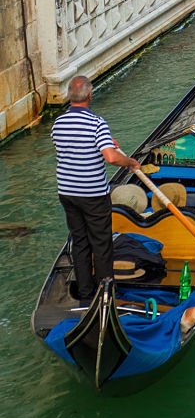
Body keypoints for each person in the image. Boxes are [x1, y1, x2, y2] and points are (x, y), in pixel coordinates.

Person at [51, 75, 139, 302]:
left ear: (70, 97)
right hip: (93, 194)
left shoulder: (58, 124)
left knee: (80, 242)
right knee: (101, 243)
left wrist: (107, 140)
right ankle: (105, 294)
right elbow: (110, 157)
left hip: (67, 193)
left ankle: (85, 294)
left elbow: (72, 147)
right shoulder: (97, 123)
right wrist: (130, 162)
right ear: (90, 95)